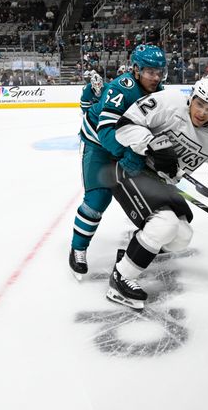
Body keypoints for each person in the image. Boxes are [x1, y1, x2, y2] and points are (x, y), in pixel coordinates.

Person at [105, 75, 208, 309]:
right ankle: (121, 277)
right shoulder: (168, 103)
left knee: (181, 237)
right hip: (131, 169)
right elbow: (125, 126)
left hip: (161, 183)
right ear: (192, 97)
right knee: (164, 224)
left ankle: (134, 251)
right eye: (200, 104)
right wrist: (153, 144)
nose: (202, 112)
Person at [68, 44, 166, 280]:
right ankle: (78, 249)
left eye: (159, 71)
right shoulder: (121, 88)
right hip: (98, 145)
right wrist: (127, 154)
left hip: (126, 144)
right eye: (149, 71)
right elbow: (105, 131)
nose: (155, 77)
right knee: (98, 197)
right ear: (136, 69)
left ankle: (150, 238)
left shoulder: (159, 91)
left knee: (149, 192)